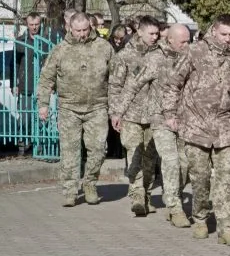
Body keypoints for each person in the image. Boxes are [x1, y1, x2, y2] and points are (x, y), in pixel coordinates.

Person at [163, 14, 230, 246]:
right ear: (214, 31)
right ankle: (200, 217)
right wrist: (170, 114)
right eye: (224, 34)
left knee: (226, 181)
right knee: (200, 178)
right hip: (196, 125)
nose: (228, 40)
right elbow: (174, 84)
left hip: (226, 126)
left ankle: (226, 228)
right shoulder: (194, 52)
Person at [115, 24, 193, 228]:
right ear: (171, 41)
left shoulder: (192, 58)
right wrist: (118, 111)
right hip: (159, 118)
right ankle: (175, 208)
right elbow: (133, 84)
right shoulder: (155, 59)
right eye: (183, 42)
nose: (187, 45)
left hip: (185, 119)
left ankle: (173, 196)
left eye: (189, 41)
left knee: (185, 164)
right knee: (170, 160)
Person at [36, 12, 115, 207]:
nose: (81, 34)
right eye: (77, 30)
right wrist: (43, 104)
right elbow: (46, 79)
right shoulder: (60, 50)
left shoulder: (104, 48)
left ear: (91, 27)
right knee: (70, 151)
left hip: (97, 106)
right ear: (69, 28)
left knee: (97, 149)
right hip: (69, 107)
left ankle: (90, 183)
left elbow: (115, 78)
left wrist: (115, 108)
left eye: (85, 30)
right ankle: (70, 190)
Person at [108, 15, 161, 217]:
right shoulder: (124, 56)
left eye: (157, 33)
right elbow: (115, 86)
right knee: (135, 154)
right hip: (131, 113)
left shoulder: (160, 54)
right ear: (140, 31)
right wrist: (115, 112)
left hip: (154, 115)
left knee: (150, 158)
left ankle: (146, 194)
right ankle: (137, 195)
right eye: (151, 33)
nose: (155, 37)